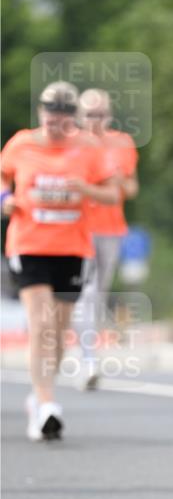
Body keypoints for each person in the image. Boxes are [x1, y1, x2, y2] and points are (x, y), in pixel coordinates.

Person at [0, 82, 119, 440]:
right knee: (40, 324)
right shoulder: (22, 143)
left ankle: (39, 398)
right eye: (50, 114)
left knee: (58, 331)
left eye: (64, 116)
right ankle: (46, 403)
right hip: (29, 244)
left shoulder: (88, 148)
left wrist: (83, 189)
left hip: (72, 249)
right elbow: (3, 177)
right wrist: (6, 197)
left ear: (73, 119)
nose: (55, 122)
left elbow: (113, 193)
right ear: (40, 113)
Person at [74, 88, 139, 390]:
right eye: (89, 114)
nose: (95, 120)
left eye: (100, 114)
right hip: (79, 228)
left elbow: (132, 187)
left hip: (111, 228)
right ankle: (89, 361)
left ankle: (87, 351)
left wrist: (114, 182)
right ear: (79, 116)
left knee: (97, 294)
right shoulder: (71, 144)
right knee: (85, 294)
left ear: (109, 115)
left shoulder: (122, 143)